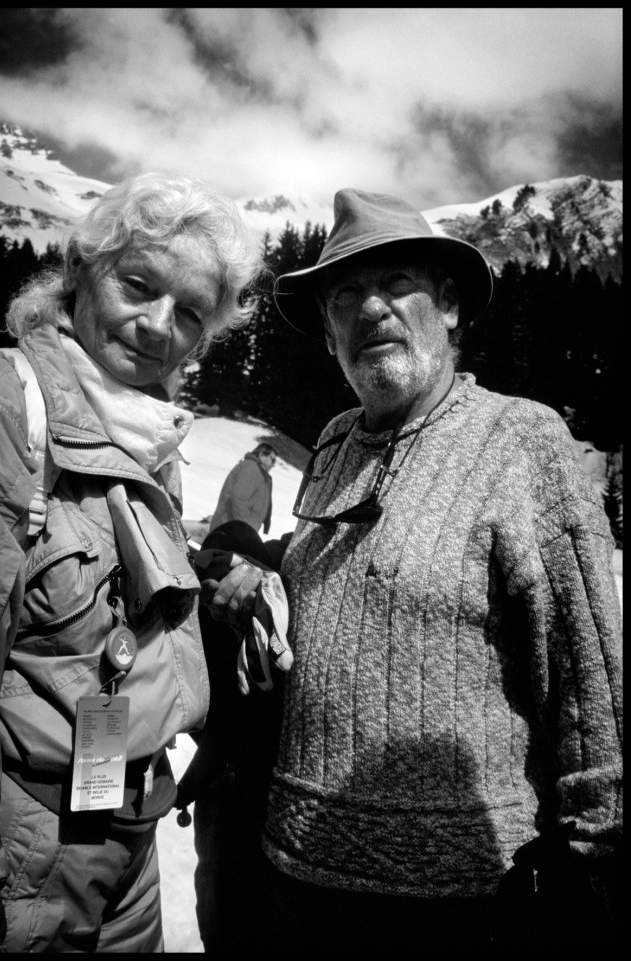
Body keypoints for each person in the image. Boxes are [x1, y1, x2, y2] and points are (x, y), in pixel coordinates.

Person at [196, 188, 622, 953]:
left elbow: (590, 686)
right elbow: (345, 593)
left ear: (449, 305)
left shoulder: (524, 442)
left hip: (464, 905)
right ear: (329, 334)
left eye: (396, 284)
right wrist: (257, 586)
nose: (370, 309)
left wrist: (592, 863)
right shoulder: (333, 442)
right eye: (345, 295)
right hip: (292, 883)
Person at [0, 170, 266, 952]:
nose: (157, 326)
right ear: (81, 269)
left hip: (131, 828)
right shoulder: (13, 413)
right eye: (139, 286)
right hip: (27, 842)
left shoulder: (148, 436)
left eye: (189, 313)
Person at [209, 443, 277, 535]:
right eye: (272, 460)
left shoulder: (259, 473)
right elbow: (238, 498)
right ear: (261, 455)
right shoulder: (251, 468)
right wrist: (244, 527)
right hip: (229, 530)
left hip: (234, 530)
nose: (273, 465)